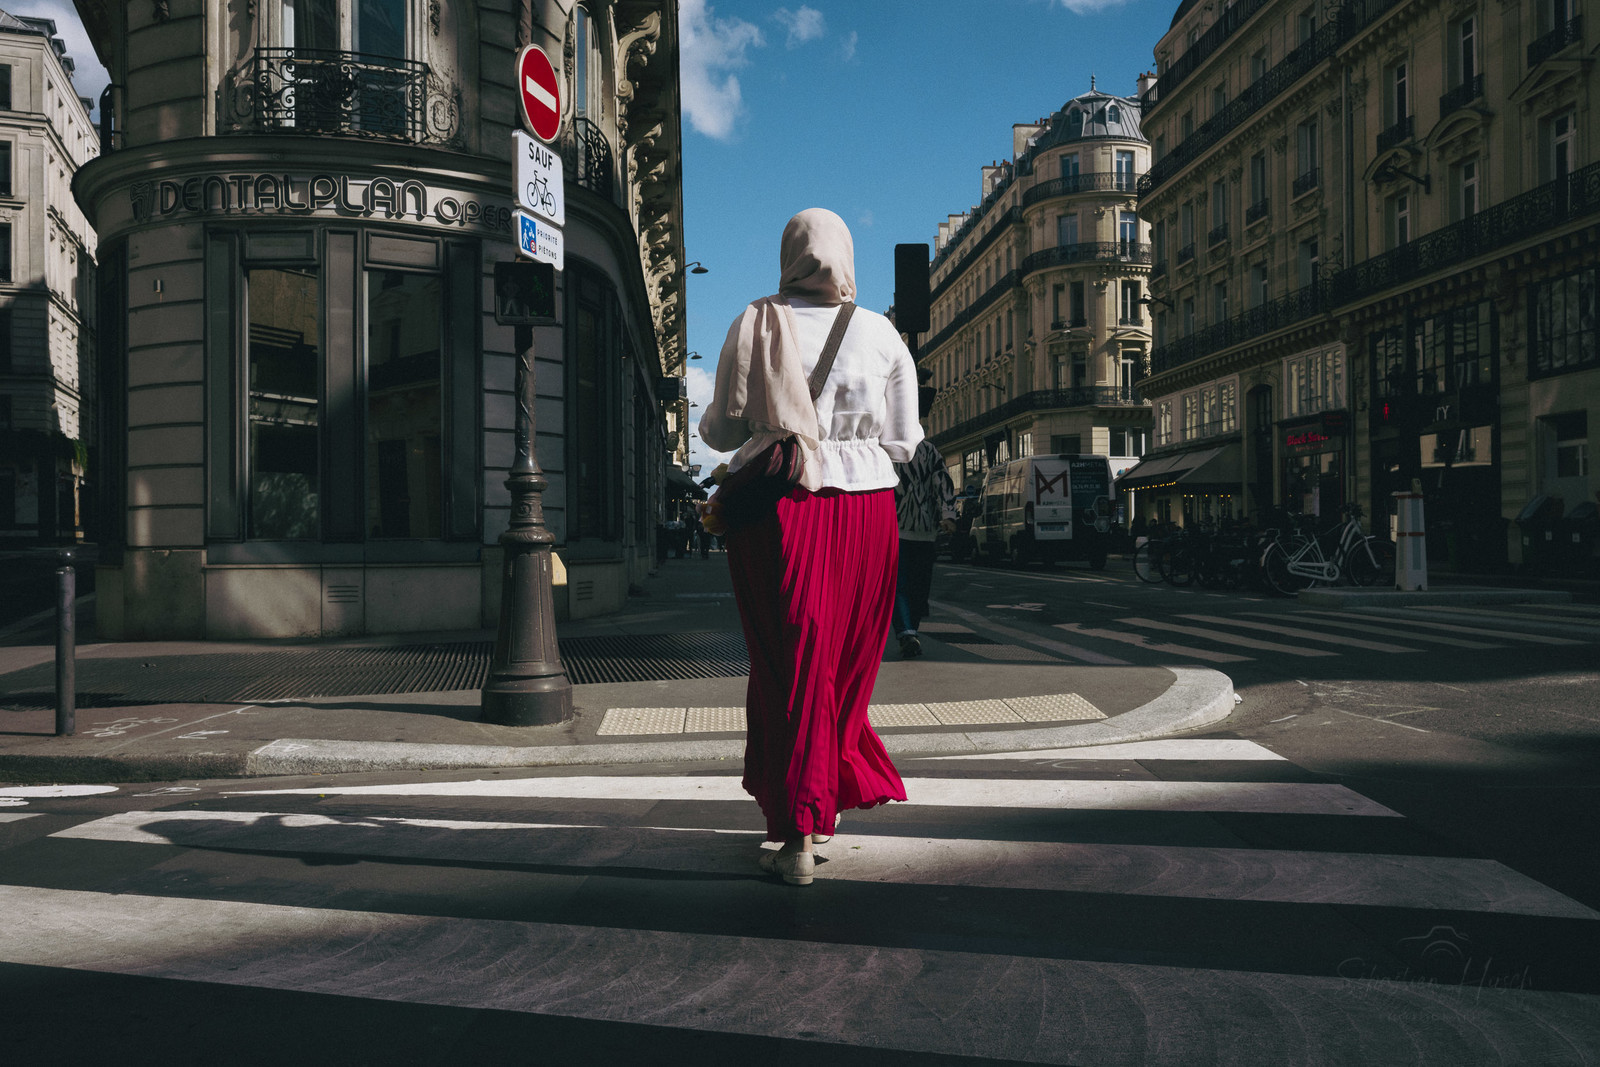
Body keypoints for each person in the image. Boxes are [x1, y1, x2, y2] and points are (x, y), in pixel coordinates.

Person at [698, 208, 919, 886]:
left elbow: (720, 430)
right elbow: (904, 441)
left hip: (781, 507)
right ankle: (817, 806)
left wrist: (784, 422)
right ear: (846, 256)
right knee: (846, 665)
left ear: (789, 252)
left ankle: (797, 829)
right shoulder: (882, 332)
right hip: (868, 510)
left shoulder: (755, 319)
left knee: (788, 664)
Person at [891, 410, 958, 657]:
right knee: (915, 586)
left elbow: (943, 482)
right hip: (919, 530)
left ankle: (908, 632)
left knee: (902, 586)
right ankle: (909, 632)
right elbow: (944, 483)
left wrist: (948, 514)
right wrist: (948, 514)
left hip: (902, 529)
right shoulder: (928, 451)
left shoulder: (890, 451)